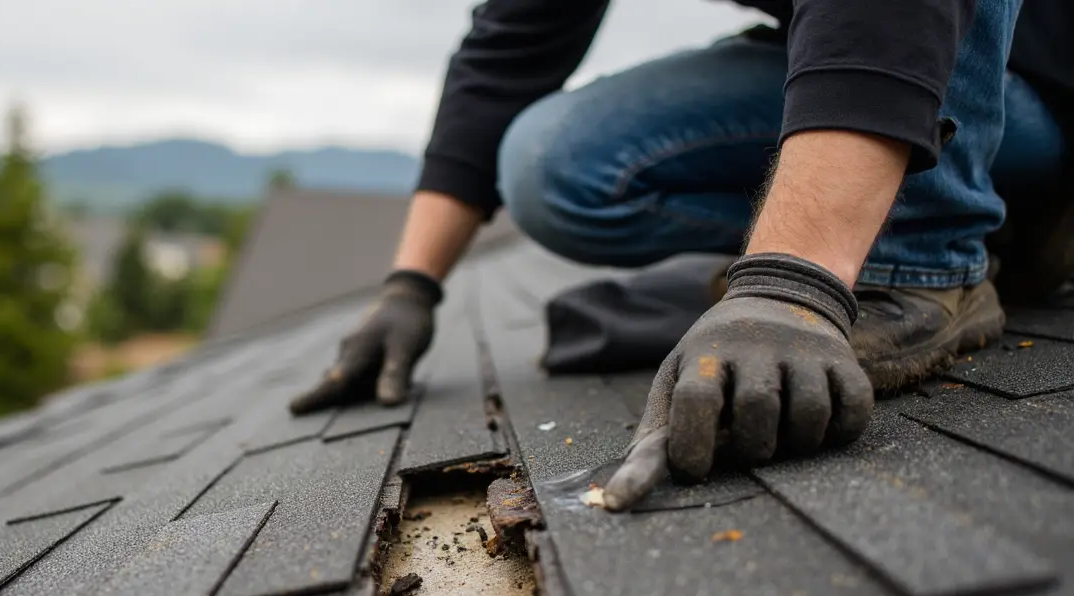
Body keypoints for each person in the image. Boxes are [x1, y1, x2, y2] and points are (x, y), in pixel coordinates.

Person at [290, 0, 1072, 510]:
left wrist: (789, 285)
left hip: (1028, 82)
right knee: (552, 163)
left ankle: (926, 257)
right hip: (842, 42)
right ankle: (925, 215)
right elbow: (503, 58)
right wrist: (410, 285)